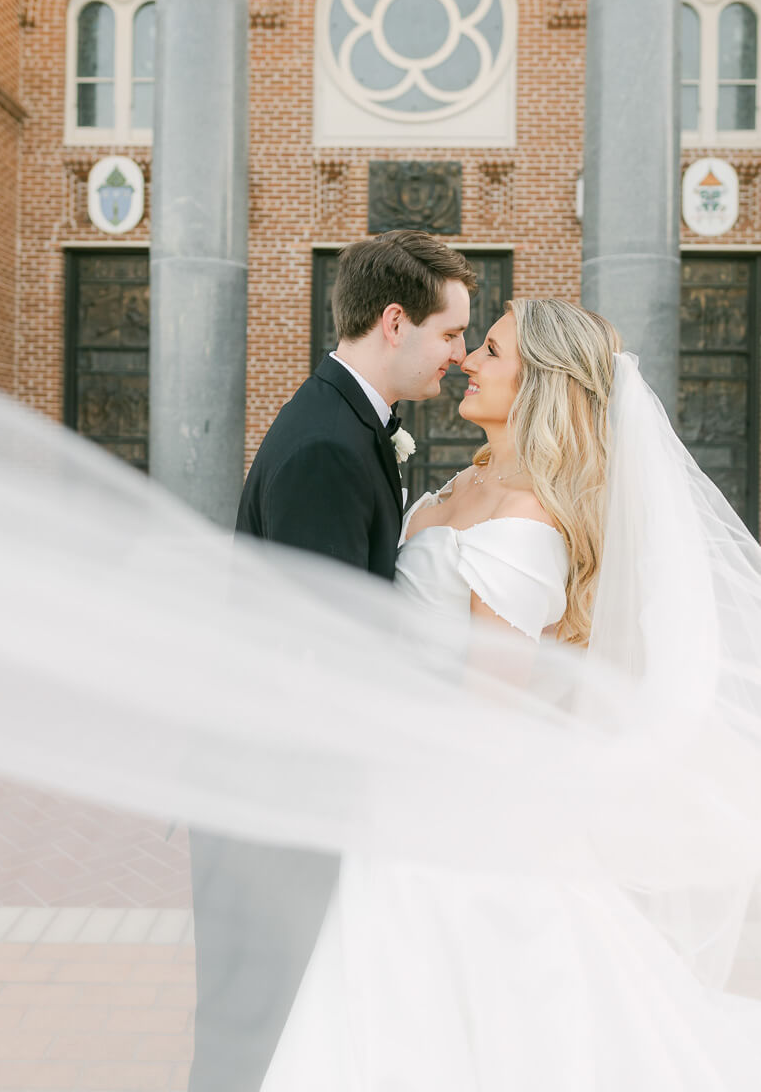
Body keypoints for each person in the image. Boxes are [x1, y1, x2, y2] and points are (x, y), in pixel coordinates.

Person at [256, 297, 761, 1092]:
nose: (468, 360)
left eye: (490, 350)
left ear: (539, 385)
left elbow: (488, 719)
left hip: (445, 821)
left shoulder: (526, 525)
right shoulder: (471, 480)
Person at [188, 230, 475, 1092]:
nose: (458, 358)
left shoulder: (347, 423)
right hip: (273, 802)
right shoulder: (325, 448)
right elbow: (326, 658)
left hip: (294, 789)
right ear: (396, 322)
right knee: (253, 1032)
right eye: (453, 333)